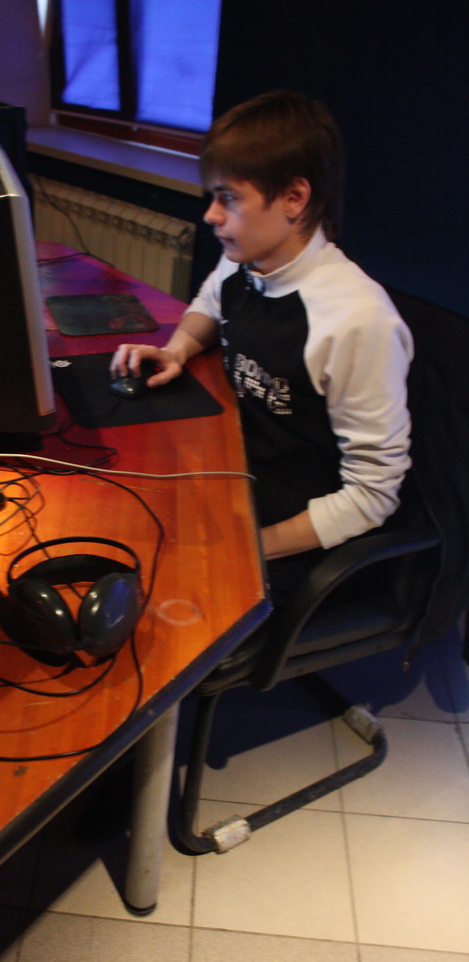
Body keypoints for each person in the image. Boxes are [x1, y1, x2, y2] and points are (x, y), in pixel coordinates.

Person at [110, 89, 413, 602]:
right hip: (235, 470)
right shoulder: (245, 258)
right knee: (122, 519)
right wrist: (179, 348)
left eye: (228, 198)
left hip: (292, 529)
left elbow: (372, 496)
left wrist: (250, 548)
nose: (211, 216)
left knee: (153, 600)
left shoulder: (357, 322)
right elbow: (210, 302)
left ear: (294, 199)